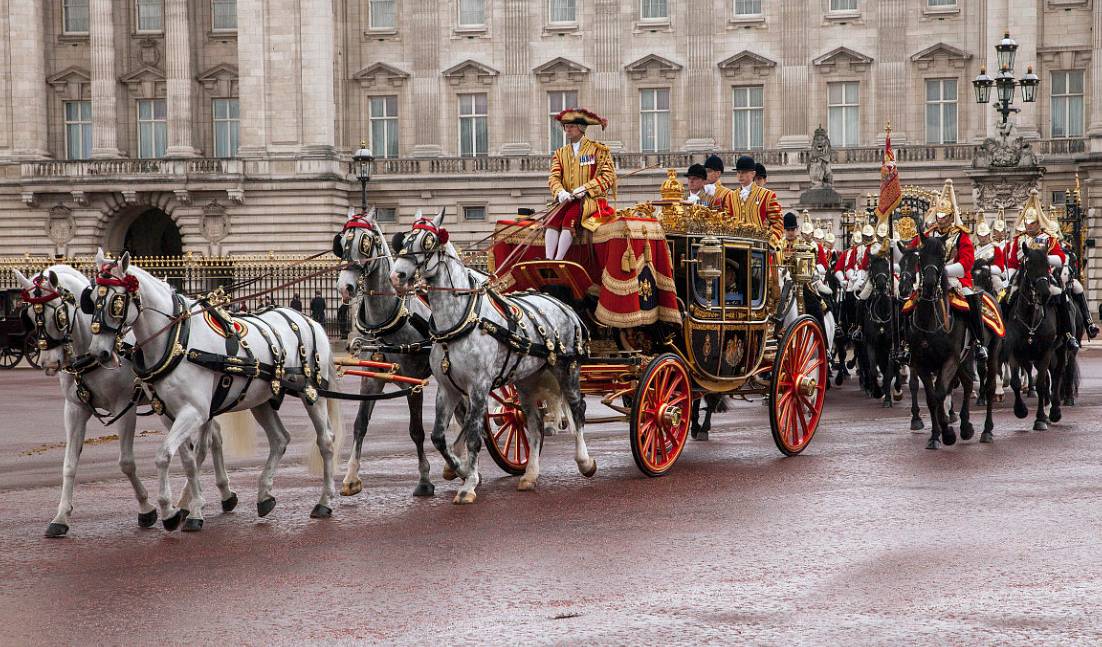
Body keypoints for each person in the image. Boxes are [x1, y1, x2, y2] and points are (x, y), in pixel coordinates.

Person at [1005, 189, 1078, 350]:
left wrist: (1042, 260)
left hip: (1044, 277)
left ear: (1039, 223)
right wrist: (1010, 280)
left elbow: (1061, 258)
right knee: (1005, 299)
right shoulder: (1019, 238)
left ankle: (1067, 334)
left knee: (1061, 299)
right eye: (1027, 223)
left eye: (1033, 223)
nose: (1029, 226)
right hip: (1022, 278)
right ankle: (1002, 335)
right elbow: (1011, 262)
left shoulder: (1049, 238)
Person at [923, 179, 988, 360]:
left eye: (945, 216)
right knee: (909, 300)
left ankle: (978, 341)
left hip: (955, 278)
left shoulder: (961, 235)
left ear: (951, 216)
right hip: (930, 277)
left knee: (971, 299)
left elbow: (967, 262)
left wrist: (945, 271)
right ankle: (905, 343)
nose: (941, 219)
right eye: (939, 215)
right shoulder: (929, 234)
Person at [546, 107, 617, 260]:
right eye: (566, 126)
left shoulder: (598, 150)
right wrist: (560, 193)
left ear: (581, 128)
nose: (567, 130)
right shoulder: (560, 153)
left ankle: (558, 259)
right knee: (552, 220)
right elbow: (554, 177)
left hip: (591, 200)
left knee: (568, 219)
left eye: (571, 126)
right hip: (567, 200)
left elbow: (608, 176)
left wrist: (586, 188)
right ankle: (548, 258)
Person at [712, 155, 783, 247]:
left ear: (753, 174)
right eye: (738, 172)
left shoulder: (768, 195)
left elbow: (778, 223)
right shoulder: (730, 196)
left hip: (759, 247)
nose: (740, 175)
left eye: (744, 172)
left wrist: (769, 242)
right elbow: (727, 221)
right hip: (735, 246)